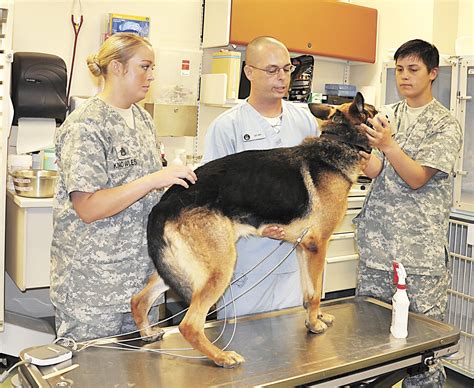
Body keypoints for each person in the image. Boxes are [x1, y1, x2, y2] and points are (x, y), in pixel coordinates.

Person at [50, 33, 197, 342]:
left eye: (152, 67)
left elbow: (149, 189)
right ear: (116, 68)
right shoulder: (86, 126)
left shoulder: (142, 119)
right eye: (144, 66)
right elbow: (88, 207)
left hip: (141, 282)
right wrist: (153, 179)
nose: (152, 76)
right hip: (95, 290)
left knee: (141, 371)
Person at [355, 39, 462, 387]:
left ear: (433, 73)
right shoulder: (387, 114)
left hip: (419, 257)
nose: (404, 76)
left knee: (422, 355)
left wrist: (387, 144)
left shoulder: (445, 124)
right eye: (399, 69)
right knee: (368, 346)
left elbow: (417, 178)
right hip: (377, 251)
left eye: (413, 69)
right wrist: (354, 147)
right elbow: (375, 170)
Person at [202, 36, 319, 318]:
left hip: (294, 258)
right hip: (247, 259)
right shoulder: (227, 127)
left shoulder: (304, 121)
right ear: (249, 72)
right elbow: (212, 198)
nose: (282, 77)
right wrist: (256, 226)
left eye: (287, 69)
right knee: (245, 348)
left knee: (291, 346)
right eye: (272, 70)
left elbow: (315, 184)